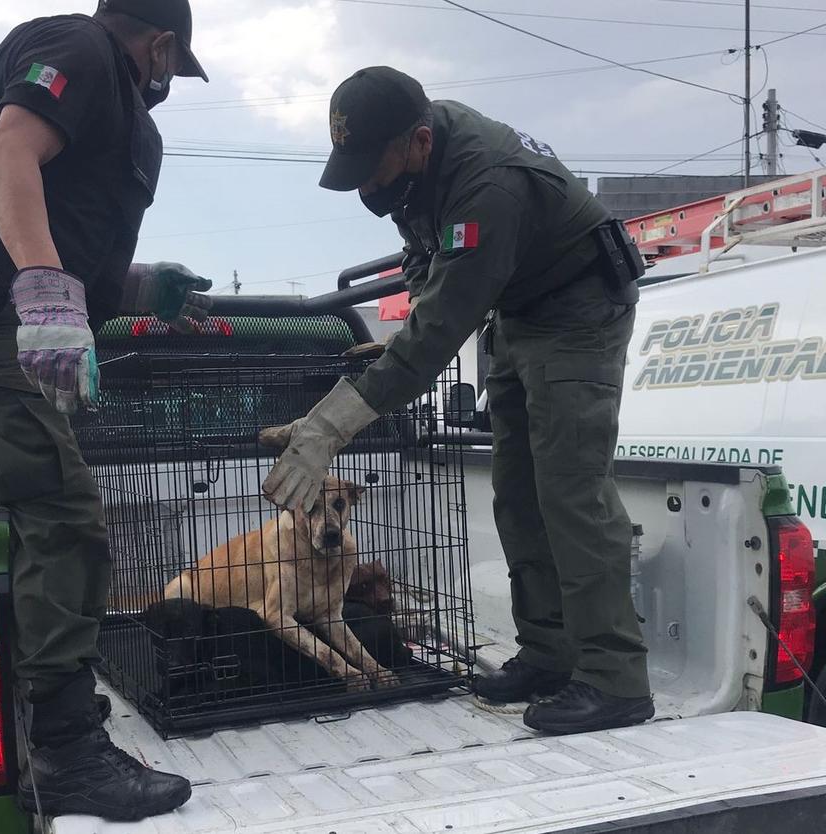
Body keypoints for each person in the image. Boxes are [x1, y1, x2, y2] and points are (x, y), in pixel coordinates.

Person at [0, 0, 212, 821]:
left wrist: (139, 287)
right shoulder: (84, 47)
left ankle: (57, 717)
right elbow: (6, 159)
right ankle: (67, 755)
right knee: (60, 507)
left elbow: (65, 231)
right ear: (162, 44)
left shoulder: (122, 115)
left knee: (52, 494)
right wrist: (45, 291)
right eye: (171, 67)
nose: (166, 84)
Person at [261, 66, 654, 736]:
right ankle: (549, 655)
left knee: (570, 492)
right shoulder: (418, 166)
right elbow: (424, 265)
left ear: (416, 142)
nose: (366, 187)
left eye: (372, 169)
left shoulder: (486, 185)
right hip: (518, 313)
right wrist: (410, 324)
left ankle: (614, 679)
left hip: (578, 310)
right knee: (517, 491)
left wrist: (330, 426)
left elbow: (439, 334)